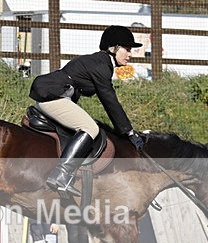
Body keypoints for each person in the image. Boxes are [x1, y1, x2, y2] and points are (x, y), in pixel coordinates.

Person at [29, 25, 146, 198]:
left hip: (55, 95)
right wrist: (128, 131)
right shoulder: (101, 65)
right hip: (53, 97)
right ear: (114, 49)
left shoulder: (99, 62)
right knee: (91, 128)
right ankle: (61, 174)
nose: (130, 54)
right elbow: (109, 100)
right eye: (127, 49)